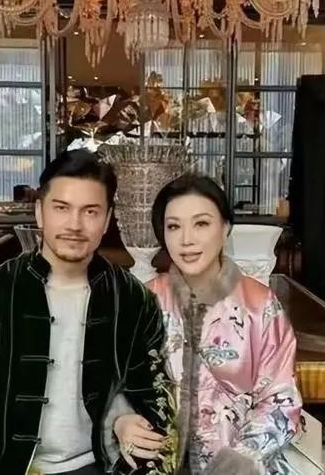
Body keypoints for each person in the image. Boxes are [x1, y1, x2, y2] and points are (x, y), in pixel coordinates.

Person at [0, 149, 173, 475]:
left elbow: (155, 404)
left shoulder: (132, 299)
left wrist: (124, 424)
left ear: (106, 220)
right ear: (40, 212)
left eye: (90, 211)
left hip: (99, 466)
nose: (75, 224)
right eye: (61, 208)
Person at [115, 174, 301, 475]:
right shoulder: (142, 303)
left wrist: (241, 459)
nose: (186, 239)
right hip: (157, 464)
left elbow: (281, 398)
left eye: (201, 224)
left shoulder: (259, 306)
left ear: (225, 228)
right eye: (174, 226)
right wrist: (121, 420)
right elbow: (113, 382)